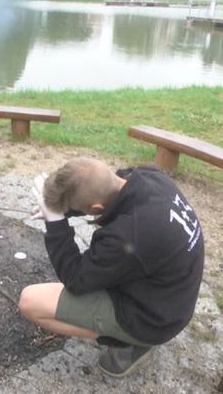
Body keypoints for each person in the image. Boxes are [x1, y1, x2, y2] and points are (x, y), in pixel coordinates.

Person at [19, 158, 204, 378]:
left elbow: (76, 279)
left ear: (96, 208)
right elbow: (102, 197)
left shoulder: (127, 236)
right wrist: (63, 207)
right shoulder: (150, 177)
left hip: (153, 320)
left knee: (30, 301)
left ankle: (128, 342)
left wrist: (56, 222)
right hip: (170, 297)